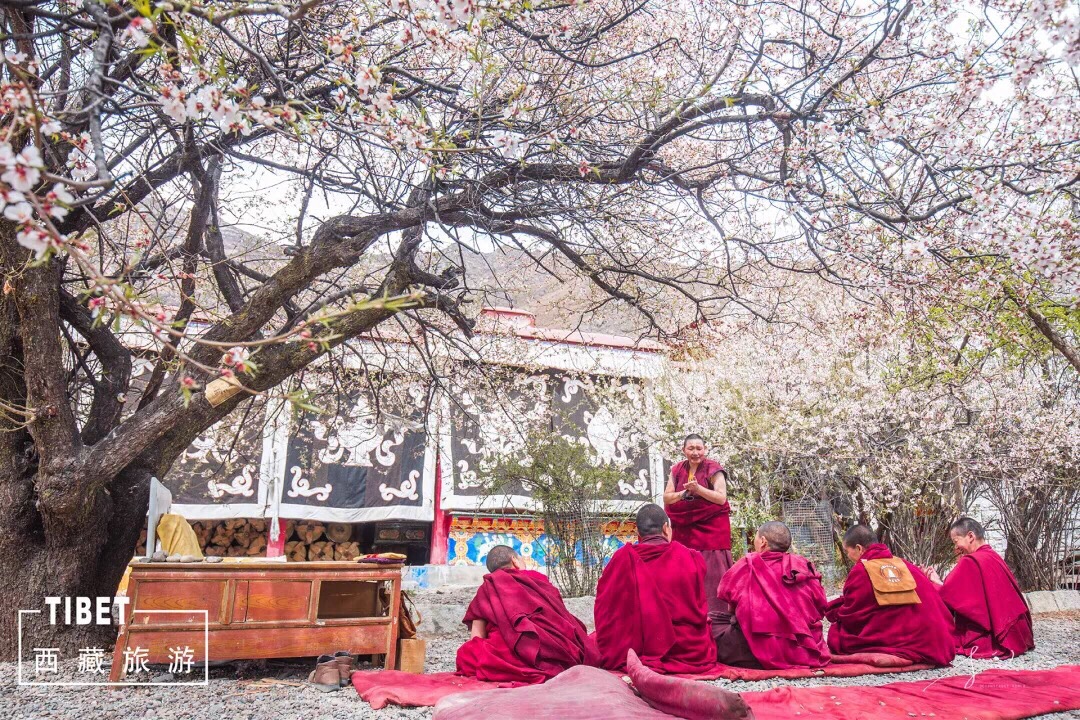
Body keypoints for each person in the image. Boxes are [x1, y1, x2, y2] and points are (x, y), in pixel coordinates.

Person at [593, 503, 717, 674]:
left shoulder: (621, 559)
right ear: (666, 528)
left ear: (638, 533)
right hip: (688, 651)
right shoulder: (691, 557)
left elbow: (605, 611)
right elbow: (699, 608)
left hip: (635, 649)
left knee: (592, 639)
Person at [456, 545, 598, 683]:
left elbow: (476, 637)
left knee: (467, 653)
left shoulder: (487, 588)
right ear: (514, 560)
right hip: (555, 652)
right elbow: (561, 618)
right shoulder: (537, 579)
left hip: (505, 657)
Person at [825, 525, 956, 666]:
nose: (848, 556)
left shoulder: (861, 571)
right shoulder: (905, 565)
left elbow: (852, 615)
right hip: (938, 641)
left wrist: (834, 610)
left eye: (847, 551)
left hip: (907, 639)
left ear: (859, 548)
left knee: (837, 636)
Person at [714, 521, 830, 669]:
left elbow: (731, 609)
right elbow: (821, 607)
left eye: (755, 537)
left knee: (713, 623)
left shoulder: (746, 565)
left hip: (754, 652)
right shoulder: (802, 566)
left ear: (762, 541)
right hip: (804, 648)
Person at [926, 517, 1035, 659]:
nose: (956, 547)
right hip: (1019, 635)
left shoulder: (970, 561)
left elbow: (948, 595)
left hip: (995, 640)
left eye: (956, 541)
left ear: (970, 536)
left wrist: (933, 582)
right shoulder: (993, 556)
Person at [663, 434, 732, 632]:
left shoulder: (713, 468)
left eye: (699, 448)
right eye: (691, 448)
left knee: (712, 576)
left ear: (705, 449)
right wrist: (684, 493)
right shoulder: (677, 469)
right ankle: (685, 619)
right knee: (685, 574)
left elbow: (720, 498)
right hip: (684, 531)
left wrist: (699, 489)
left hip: (711, 532)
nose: (695, 452)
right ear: (684, 450)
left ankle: (717, 621)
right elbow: (667, 497)